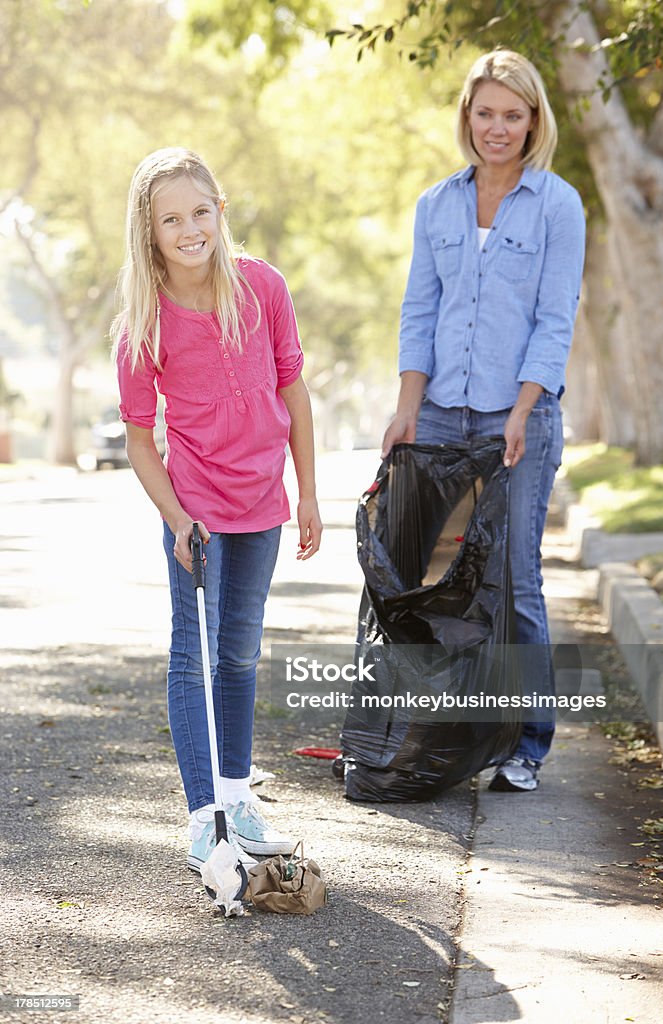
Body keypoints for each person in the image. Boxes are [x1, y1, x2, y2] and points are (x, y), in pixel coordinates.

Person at [111, 147, 322, 872]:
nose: (189, 228)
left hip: (262, 500)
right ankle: (203, 817)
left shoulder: (262, 287)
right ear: (151, 231)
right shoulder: (143, 323)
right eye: (171, 218)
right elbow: (142, 442)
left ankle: (237, 798)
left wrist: (309, 495)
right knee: (191, 655)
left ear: (219, 211)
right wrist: (177, 519)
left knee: (239, 651)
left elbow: (294, 394)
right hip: (195, 505)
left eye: (200, 211)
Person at [382, 50, 586, 792]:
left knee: (514, 578)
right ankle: (412, 728)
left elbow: (554, 318)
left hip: (517, 414)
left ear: (533, 121)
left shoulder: (557, 204)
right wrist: (407, 408)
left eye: (512, 114)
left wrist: (525, 410)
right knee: (414, 571)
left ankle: (526, 743)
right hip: (438, 412)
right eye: (484, 113)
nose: (496, 128)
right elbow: (419, 310)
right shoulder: (435, 203)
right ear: (465, 117)